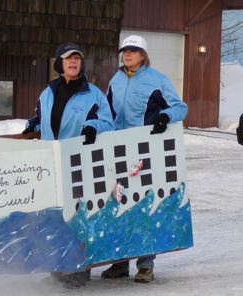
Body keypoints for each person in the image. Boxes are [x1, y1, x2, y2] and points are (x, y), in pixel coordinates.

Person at [22, 42, 115, 287]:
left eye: (77, 58)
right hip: (52, 162)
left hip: (80, 163)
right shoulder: (48, 92)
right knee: (55, 214)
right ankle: (57, 263)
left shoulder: (93, 94)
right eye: (67, 59)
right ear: (59, 64)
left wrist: (93, 126)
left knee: (76, 214)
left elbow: (108, 123)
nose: (73, 62)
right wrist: (34, 124)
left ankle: (77, 269)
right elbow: (46, 120)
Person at [101, 35, 188, 283]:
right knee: (118, 203)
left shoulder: (157, 79)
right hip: (118, 150)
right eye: (125, 51)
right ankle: (119, 263)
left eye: (133, 50)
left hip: (145, 151)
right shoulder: (115, 79)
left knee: (142, 205)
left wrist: (165, 117)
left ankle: (145, 265)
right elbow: (107, 112)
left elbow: (180, 107)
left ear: (143, 54)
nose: (127, 54)